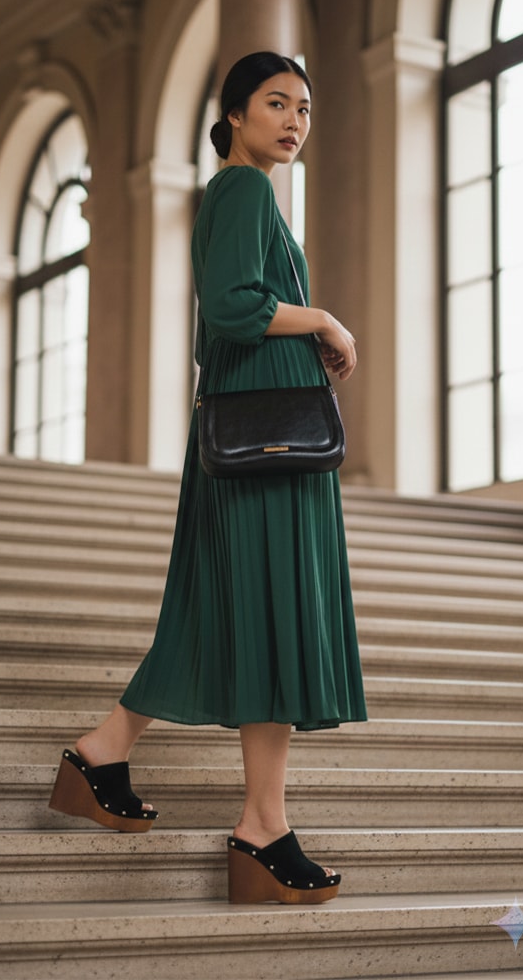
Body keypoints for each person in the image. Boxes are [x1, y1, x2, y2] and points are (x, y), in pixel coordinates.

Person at [49, 50, 367, 905]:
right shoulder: (243, 189)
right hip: (264, 442)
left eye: (304, 107)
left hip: (252, 430)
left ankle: (104, 752)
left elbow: (235, 315)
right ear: (232, 116)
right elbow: (232, 306)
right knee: (268, 617)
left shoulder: (242, 194)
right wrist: (327, 320)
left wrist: (306, 336)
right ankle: (262, 827)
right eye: (276, 103)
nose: (295, 120)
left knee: (215, 611)